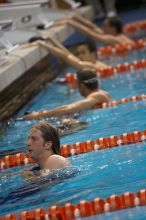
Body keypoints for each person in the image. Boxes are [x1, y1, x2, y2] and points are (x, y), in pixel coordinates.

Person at [24, 69, 112, 120]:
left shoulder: (95, 96)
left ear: (82, 86)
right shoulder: (104, 93)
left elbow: (68, 109)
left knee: (66, 122)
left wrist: (38, 116)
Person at [27, 35, 108, 71]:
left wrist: (42, 44)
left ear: (93, 54)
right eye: (78, 53)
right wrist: (52, 40)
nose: (79, 56)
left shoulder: (93, 67)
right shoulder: (93, 64)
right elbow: (69, 55)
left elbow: (66, 57)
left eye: (83, 53)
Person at [52, 13, 134, 45]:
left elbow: (91, 34)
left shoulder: (115, 39)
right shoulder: (112, 34)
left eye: (105, 26)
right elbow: (93, 27)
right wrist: (76, 17)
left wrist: (71, 23)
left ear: (113, 28)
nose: (102, 27)